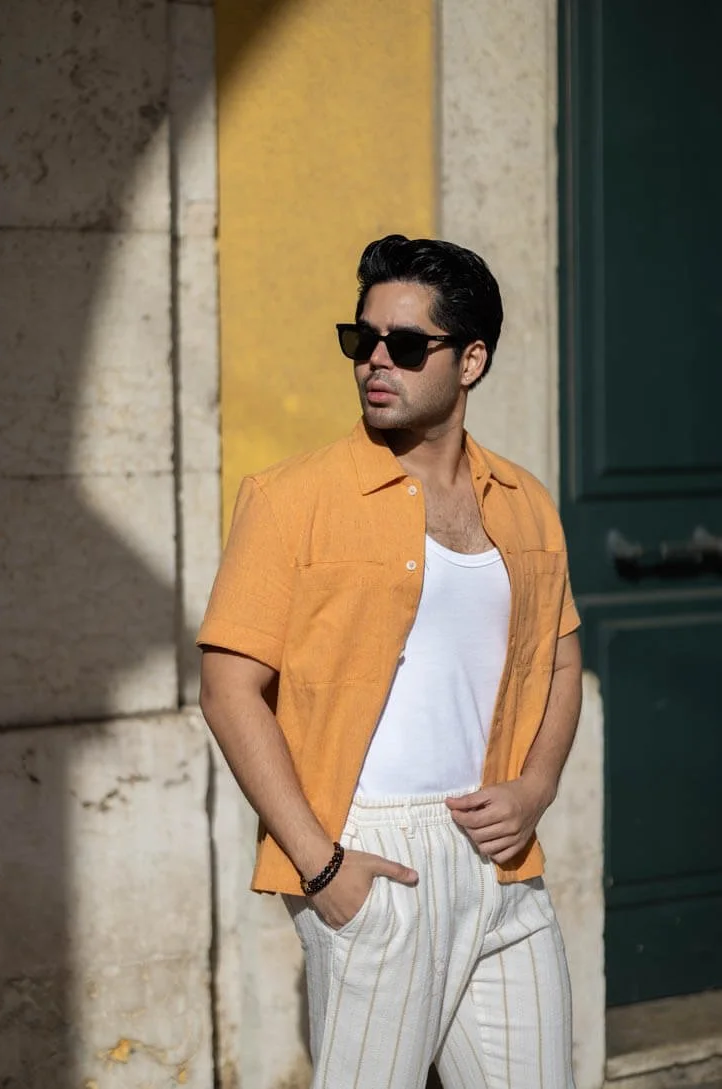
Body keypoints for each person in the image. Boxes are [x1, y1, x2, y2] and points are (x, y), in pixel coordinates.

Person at [198, 235, 582, 1089]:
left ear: (471, 359)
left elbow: (559, 660)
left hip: (502, 856)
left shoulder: (524, 501)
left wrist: (536, 788)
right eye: (361, 339)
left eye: (406, 345)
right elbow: (228, 691)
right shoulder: (290, 498)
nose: (376, 360)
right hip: (372, 854)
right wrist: (322, 866)